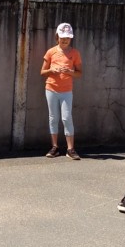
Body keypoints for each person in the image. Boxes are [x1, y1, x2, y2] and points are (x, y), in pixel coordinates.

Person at [40, 22, 83, 160]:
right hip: (51, 89)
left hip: (66, 91)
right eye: (62, 37)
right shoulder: (51, 52)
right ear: (57, 37)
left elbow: (79, 73)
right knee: (53, 118)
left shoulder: (75, 53)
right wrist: (51, 70)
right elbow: (42, 72)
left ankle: (70, 149)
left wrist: (70, 72)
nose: (65, 40)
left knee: (66, 118)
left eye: (68, 38)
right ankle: (55, 147)